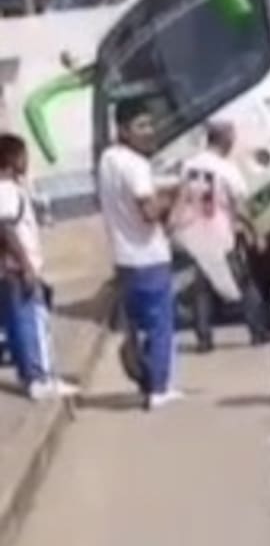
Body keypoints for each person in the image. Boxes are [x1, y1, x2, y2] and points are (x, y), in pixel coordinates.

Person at [97, 99, 181, 410]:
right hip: (149, 256)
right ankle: (158, 387)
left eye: (150, 124)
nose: (149, 131)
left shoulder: (108, 160)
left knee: (139, 325)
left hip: (123, 258)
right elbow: (148, 211)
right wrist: (172, 198)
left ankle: (147, 380)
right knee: (160, 326)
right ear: (122, 130)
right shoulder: (136, 165)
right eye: (141, 126)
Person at [172, 121, 270, 350]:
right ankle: (258, 330)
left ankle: (204, 338)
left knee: (202, 288)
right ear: (225, 140)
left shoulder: (189, 165)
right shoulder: (227, 169)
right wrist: (255, 233)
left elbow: (182, 196)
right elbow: (240, 206)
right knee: (244, 283)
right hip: (221, 234)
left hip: (195, 233)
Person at [0, 134, 77, 401]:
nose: (26, 161)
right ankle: (42, 378)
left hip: (9, 270)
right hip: (19, 268)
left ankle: (31, 376)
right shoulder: (7, 191)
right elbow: (6, 228)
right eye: (23, 156)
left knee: (18, 324)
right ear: (11, 159)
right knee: (33, 321)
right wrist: (25, 265)